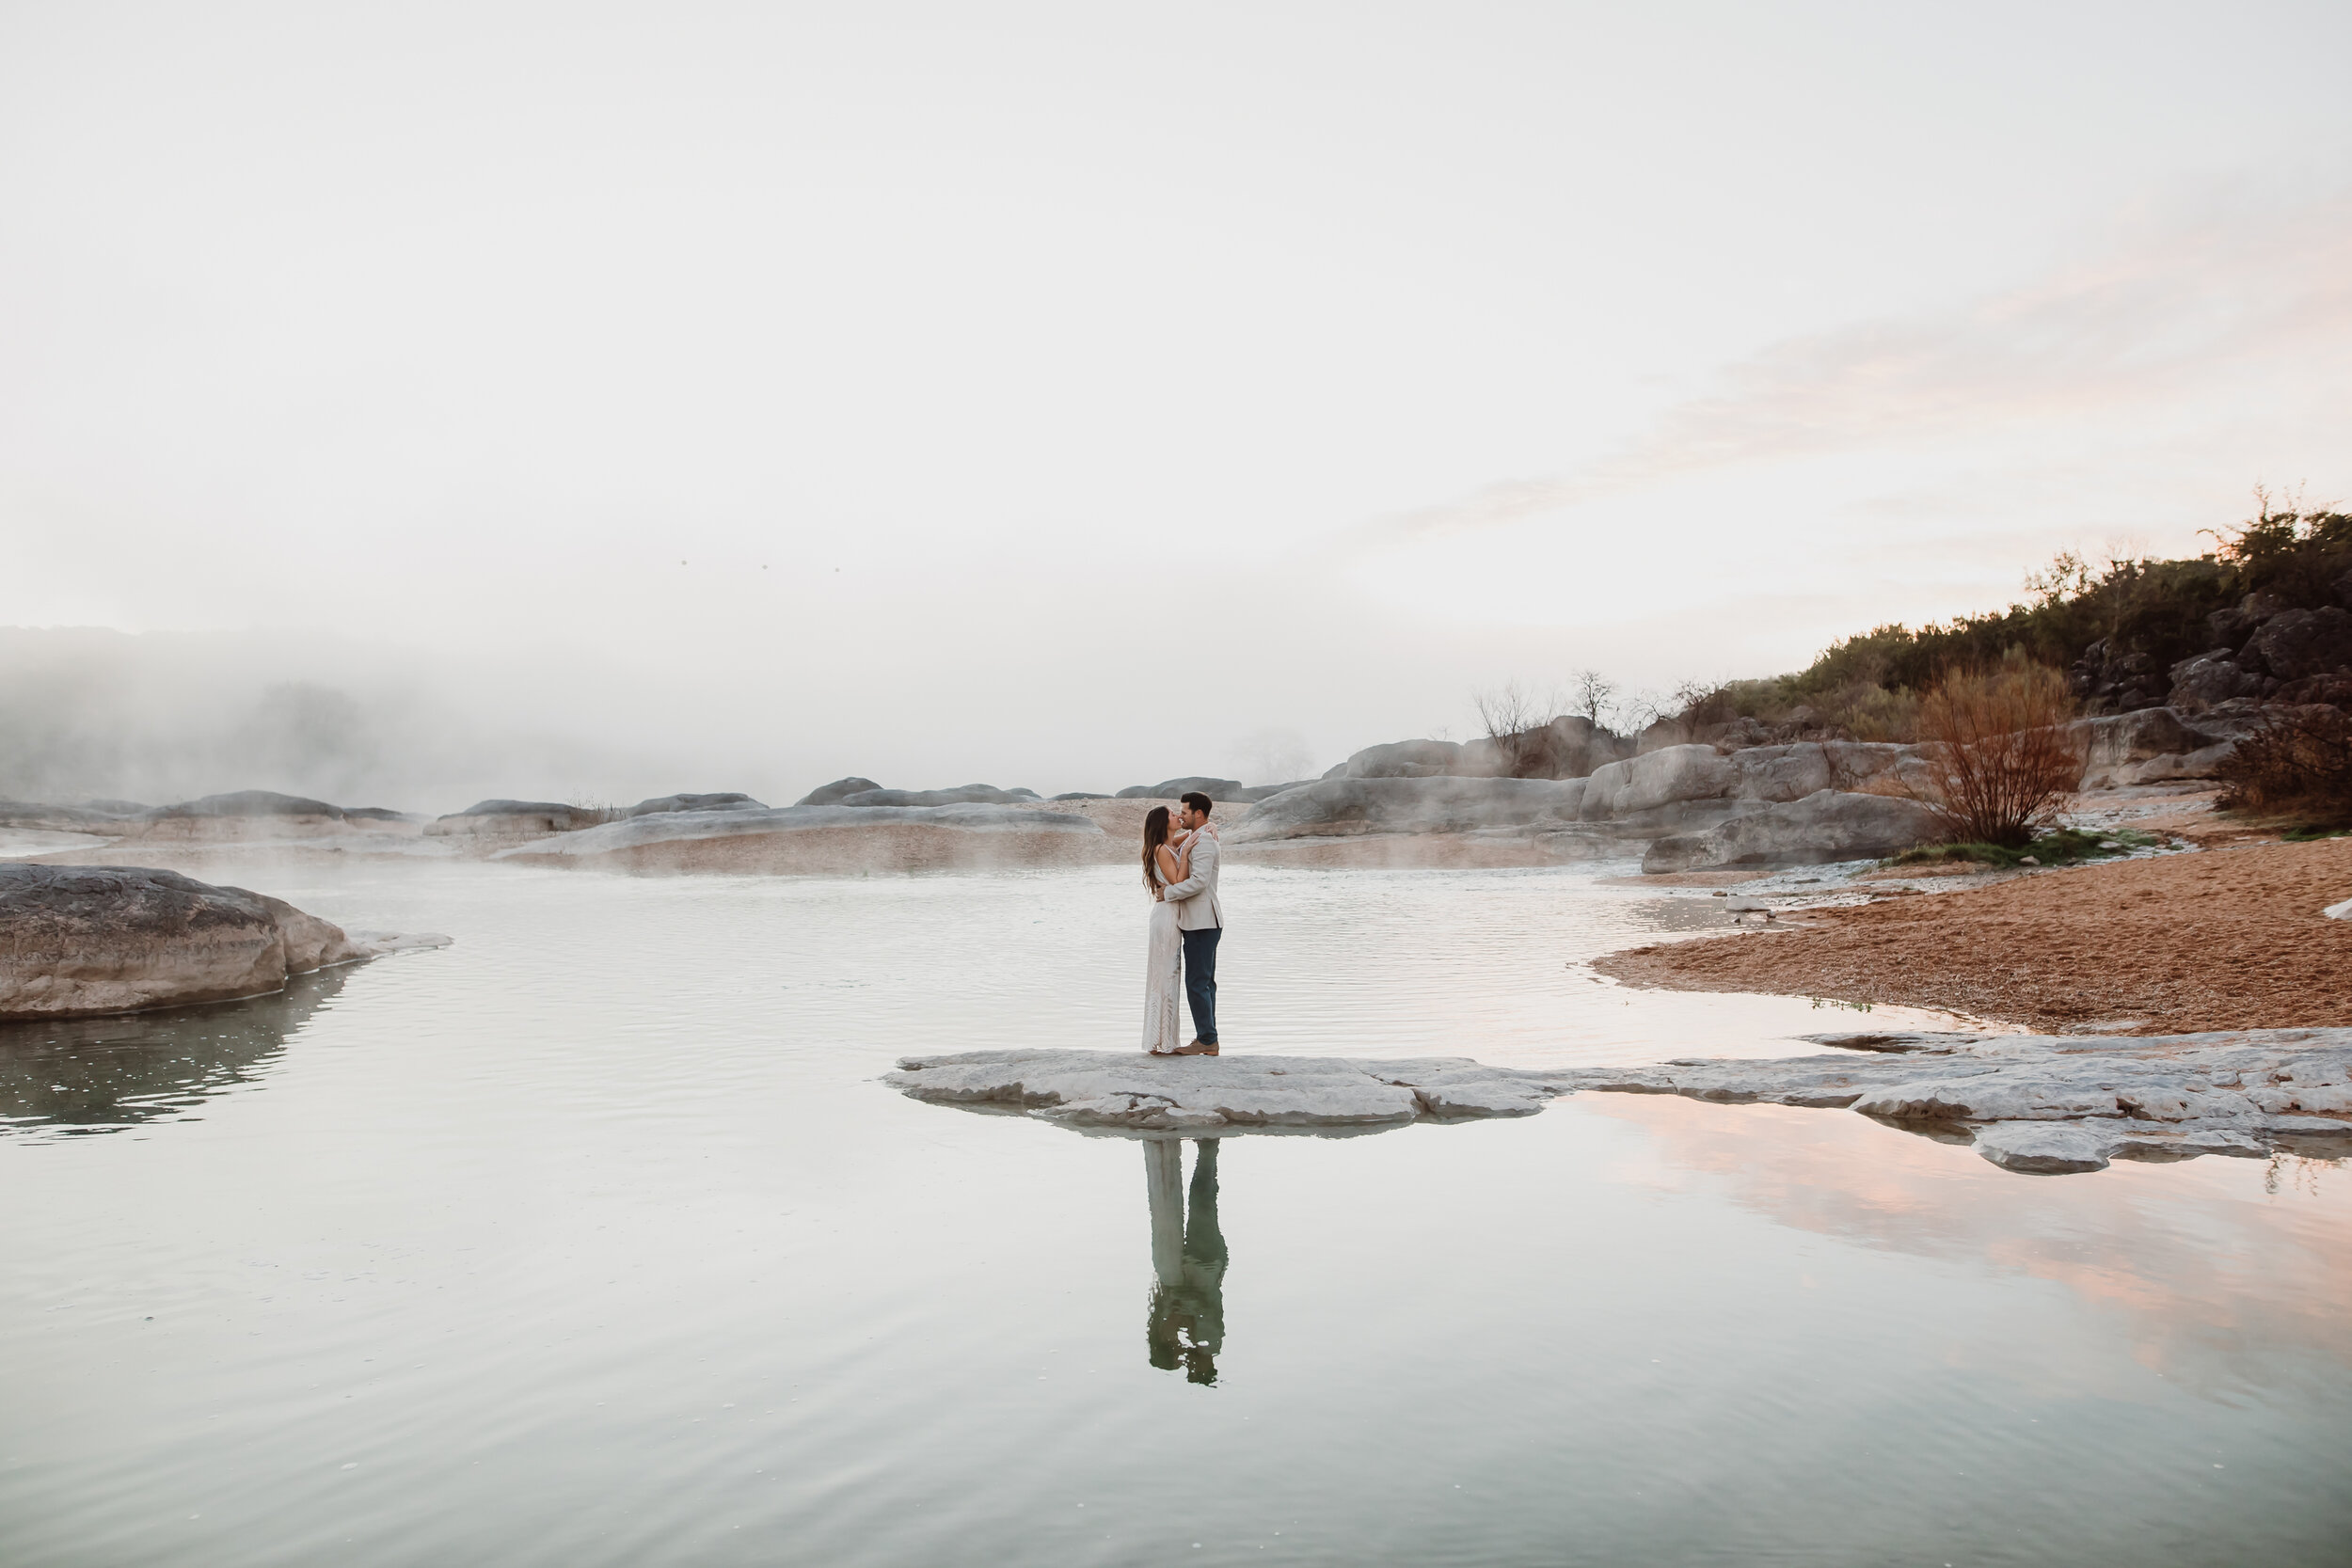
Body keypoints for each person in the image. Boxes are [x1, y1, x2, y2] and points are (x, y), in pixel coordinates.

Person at [1157, 791, 1224, 1054]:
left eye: (1184, 811)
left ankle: (1207, 1040)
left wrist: (1167, 894)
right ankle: (1208, 1038)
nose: (1181, 815)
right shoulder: (1198, 837)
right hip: (1199, 921)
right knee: (1204, 983)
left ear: (1198, 813)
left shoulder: (1205, 842)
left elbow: (1199, 882)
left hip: (1203, 921)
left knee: (1198, 983)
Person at [1139, 804, 1192, 1056]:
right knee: (1165, 974)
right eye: (1173, 814)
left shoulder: (1169, 844)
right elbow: (1178, 881)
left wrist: (1210, 826)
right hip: (1166, 917)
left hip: (1170, 913)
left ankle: (1164, 1037)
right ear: (1163, 823)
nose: (1178, 816)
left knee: (1168, 973)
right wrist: (1186, 853)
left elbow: (1193, 835)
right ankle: (1160, 1040)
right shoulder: (1161, 849)